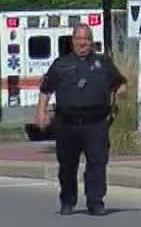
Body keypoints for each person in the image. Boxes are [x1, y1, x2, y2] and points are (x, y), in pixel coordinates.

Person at [34, 23, 127, 216]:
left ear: (91, 41)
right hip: (67, 123)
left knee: (97, 164)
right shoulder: (61, 64)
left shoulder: (103, 63)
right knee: (67, 166)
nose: (82, 42)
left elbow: (120, 83)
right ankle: (68, 201)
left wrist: (121, 92)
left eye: (86, 39)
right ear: (73, 40)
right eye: (78, 38)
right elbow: (45, 90)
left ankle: (95, 202)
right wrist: (41, 113)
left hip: (96, 123)